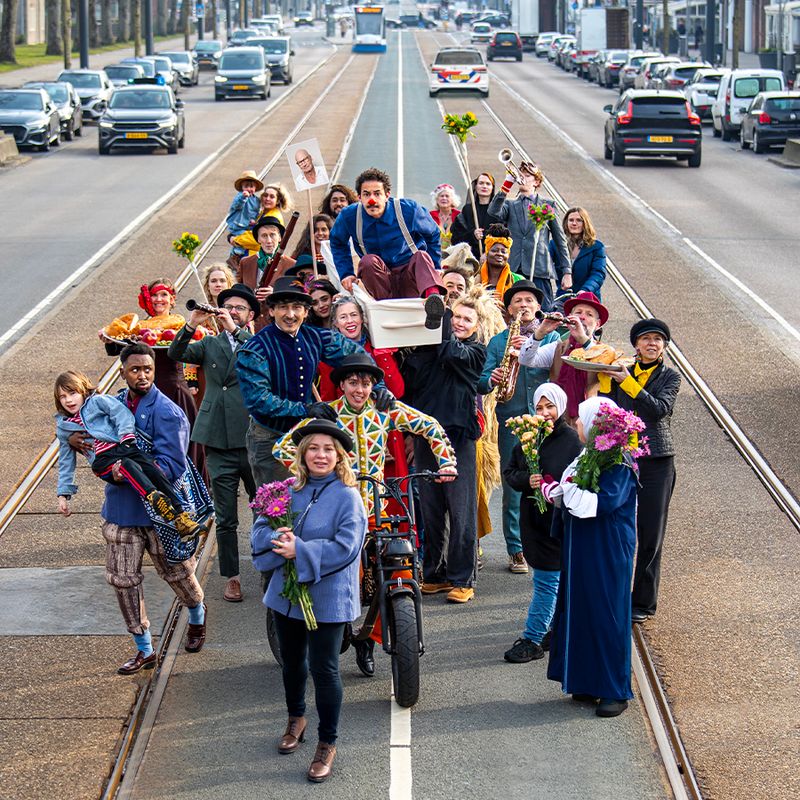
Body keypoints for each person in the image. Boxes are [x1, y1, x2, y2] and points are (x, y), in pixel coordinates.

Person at [273, 354, 457, 676]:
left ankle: (370, 639)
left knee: (398, 572)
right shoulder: (329, 416)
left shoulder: (384, 411)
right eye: (353, 382)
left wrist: (447, 462)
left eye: (366, 383)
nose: (360, 389)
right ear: (342, 385)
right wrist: (314, 475)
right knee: (346, 575)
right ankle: (330, 626)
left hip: (375, 511)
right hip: (336, 514)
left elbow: (429, 425)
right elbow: (282, 448)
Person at [71, 344, 208, 674]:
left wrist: (131, 473)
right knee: (123, 581)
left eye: (148, 369)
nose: (142, 375)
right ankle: (144, 649)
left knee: (178, 574)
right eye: (135, 370)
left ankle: (197, 613)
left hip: (159, 515)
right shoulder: (110, 406)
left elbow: (172, 465)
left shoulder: (169, 412)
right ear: (123, 373)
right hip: (121, 511)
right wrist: (76, 441)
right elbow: (94, 443)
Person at [251, 421, 367, 783]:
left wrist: (299, 550)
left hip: (328, 598)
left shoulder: (348, 497)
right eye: (313, 448)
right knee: (291, 662)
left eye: (328, 449)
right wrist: (275, 537)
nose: (320, 455)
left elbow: (347, 547)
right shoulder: (286, 489)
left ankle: (327, 743)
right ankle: (295, 718)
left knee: (324, 668)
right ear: (302, 455)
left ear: (339, 456)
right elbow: (259, 528)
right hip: (286, 597)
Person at [236, 276, 390, 490]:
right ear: (271, 311)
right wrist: (305, 409)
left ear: (306, 311)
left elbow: (357, 356)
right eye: (283, 307)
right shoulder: (255, 348)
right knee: (278, 504)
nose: (290, 314)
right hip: (270, 437)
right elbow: (258, 400)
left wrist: (378, 386)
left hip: (308, 435)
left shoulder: (315, 337)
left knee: (318, 499)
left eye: (297, 307)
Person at [168, 284, 261, 603]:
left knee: (264, 507)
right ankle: (232, 577)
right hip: (218, 438)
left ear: (250, 315)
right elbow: (175, 354)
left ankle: (267, 565)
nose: (232, 312)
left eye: (239, 308)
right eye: (228, 307)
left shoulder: (255, 342)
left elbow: (260, 356)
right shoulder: (209, 343)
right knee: (225, 515)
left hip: (252, 436)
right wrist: (191, 324)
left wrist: (235, 330)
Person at [547, 396, 637, 718]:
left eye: (581, 419)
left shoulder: (619, 461)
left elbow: (602, 502)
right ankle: (585, 680)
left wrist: (565, 491)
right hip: (583, 547)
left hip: (607, 549)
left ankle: (614, 689)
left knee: (607, 614)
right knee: (582, 609)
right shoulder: (589, 455)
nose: (576, 423)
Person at [54, 370, 207, 540]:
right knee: (126, 465)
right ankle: (154, 498)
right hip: (103, 461)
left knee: (150, 465)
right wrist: (63, 494)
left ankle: (180, 515)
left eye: (73, 393)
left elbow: (121, 413)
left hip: (122, 446)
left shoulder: (97, 402)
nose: (68, 400)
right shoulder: (64, 427)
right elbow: (66, 461)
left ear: (83, 390)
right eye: (62, 397)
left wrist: (126, 437)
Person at [404, 294, 487, 603]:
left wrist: (440, 321)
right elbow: (410, 385)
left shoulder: (476, 352)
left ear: (477, 325)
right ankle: (435, 574)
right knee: (431, 509)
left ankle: (463, 578)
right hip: (426, 437)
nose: (459, 323)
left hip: (459, 438)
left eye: (466, 319)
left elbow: (452, 353)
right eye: (456, 317)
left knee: (461, 511)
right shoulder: (428, 347)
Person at [599, 319, 680, 623]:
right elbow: (606, 408)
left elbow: (658, 409)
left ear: (664, 346)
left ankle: (644, 602)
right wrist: (606, 381)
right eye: (646, 339)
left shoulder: (670, 377)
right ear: (636, 345)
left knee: (650, 532)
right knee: (615, 527)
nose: (652, 344)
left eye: (657, 339)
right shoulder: (621, 370)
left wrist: (627, 383)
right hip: (622, 459)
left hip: (657, 461)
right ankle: (613, 592)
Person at [478, 281, 561, 573]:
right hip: (511, 421)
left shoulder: (553, 338)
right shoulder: (498, 341)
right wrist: (493, 377)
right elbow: (481, 382)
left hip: (546, 420)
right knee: (514, 485)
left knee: (549, 480)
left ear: (538, 307)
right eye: (517, 301)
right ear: (509, 309)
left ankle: (547, 542)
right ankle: (516, 549)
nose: (523, 305)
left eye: (529, 300)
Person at [502, 383, 581, 662]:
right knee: (552, 582)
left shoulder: (572, 441)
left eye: (550, 406)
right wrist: (529, 480)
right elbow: (510, 472)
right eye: (539, 407)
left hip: (557, 525)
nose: (545, 413)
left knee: (547, 582)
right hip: (534, 523)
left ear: (561, 406)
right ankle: (555, 629)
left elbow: (577, 484)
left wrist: (554, 488)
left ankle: (533, 638)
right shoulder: (529, 435)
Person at [328, 167, 446, 326]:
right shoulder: (349, 216)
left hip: (409, 274)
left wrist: (436, 266)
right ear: (359, 197)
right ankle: (386, 310)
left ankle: (433, 302)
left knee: (421, 256)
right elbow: (337, 241)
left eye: (377, 193)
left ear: (387, 195)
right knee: (367, 261)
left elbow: (433, 233)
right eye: (366, 194)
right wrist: (346, 273)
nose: (372, 200)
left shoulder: (408, 210)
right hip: (380, 281)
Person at [487, 163, 571, 310]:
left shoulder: (548, 204)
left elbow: (560, 240)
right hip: (514, 267)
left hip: (538, 268)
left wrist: (567, 271)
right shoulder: (510, 205)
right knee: (512, 309)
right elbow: (493, 211)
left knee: (542, 310)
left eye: (527, 176)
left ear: (536, 182)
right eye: (520, 175)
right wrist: (507, 183)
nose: (522, 178)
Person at [518, 291, 609, 423]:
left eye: (589, 315)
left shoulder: (604, 351)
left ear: (598, 324)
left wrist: (583, 339)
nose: (582, 317)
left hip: (588, 421)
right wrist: (540, 332)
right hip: (558, 421)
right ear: (569, 318)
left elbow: (602, 363)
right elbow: (525, 359)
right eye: (578, 313)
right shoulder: (558, 347)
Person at [237, 216, 284, 329]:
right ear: (258, 239)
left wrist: (275, 293)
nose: (269, 240)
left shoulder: (291, 264)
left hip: (279, 325)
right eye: (264, 236)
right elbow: (238, 291)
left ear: (280, 238)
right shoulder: (245, 262)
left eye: (272, 235)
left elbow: (296, 298)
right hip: (252, 326)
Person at [550, 207, 607, 299]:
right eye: (571, 220)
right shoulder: (555, 244)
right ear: (566, 223)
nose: (574, 223)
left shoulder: (596, 247)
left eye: (579, 220)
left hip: (588, 297)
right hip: (563, 296)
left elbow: (598, 273)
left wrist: (585, 290)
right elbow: (545, 264)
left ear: (585, 223)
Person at [451, 172, 496, 259]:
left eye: (488, 184)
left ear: (492, 188)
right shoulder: (468, 210)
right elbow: (456, 237)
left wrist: (488, 252)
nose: (484, 186)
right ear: (476, 186)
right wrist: (472, 235)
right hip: (470, 258)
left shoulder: (498, 210)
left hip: (492, 258)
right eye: (481, 183)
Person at [478, 223, 525, 302]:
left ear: (508, 255)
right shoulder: (475, 281)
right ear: (487, 253)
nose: (499, 254)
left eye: (503, 252)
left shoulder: (518, 280)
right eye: (494, 250)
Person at [226, 169, 264, 268]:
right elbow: (236, 205)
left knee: (248, 238)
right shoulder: (240, 196)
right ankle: (235, 256)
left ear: (255, 188)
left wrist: (254, 220)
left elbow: (255, 212)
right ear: (242, 188)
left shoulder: (256, 200)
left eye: (251, 186)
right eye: (246, 186)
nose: (249, 189)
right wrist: (243, 198)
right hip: (238, 225)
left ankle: (239, 256)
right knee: (240, 240)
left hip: (248, 226)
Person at [429, 183, 461, 250]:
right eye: (441, 196)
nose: (444, 198)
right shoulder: (430, 216)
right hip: (435, 253)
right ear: (436, 199)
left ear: (452, 199)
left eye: (447, 196)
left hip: (455, 253)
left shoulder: (459, 216)